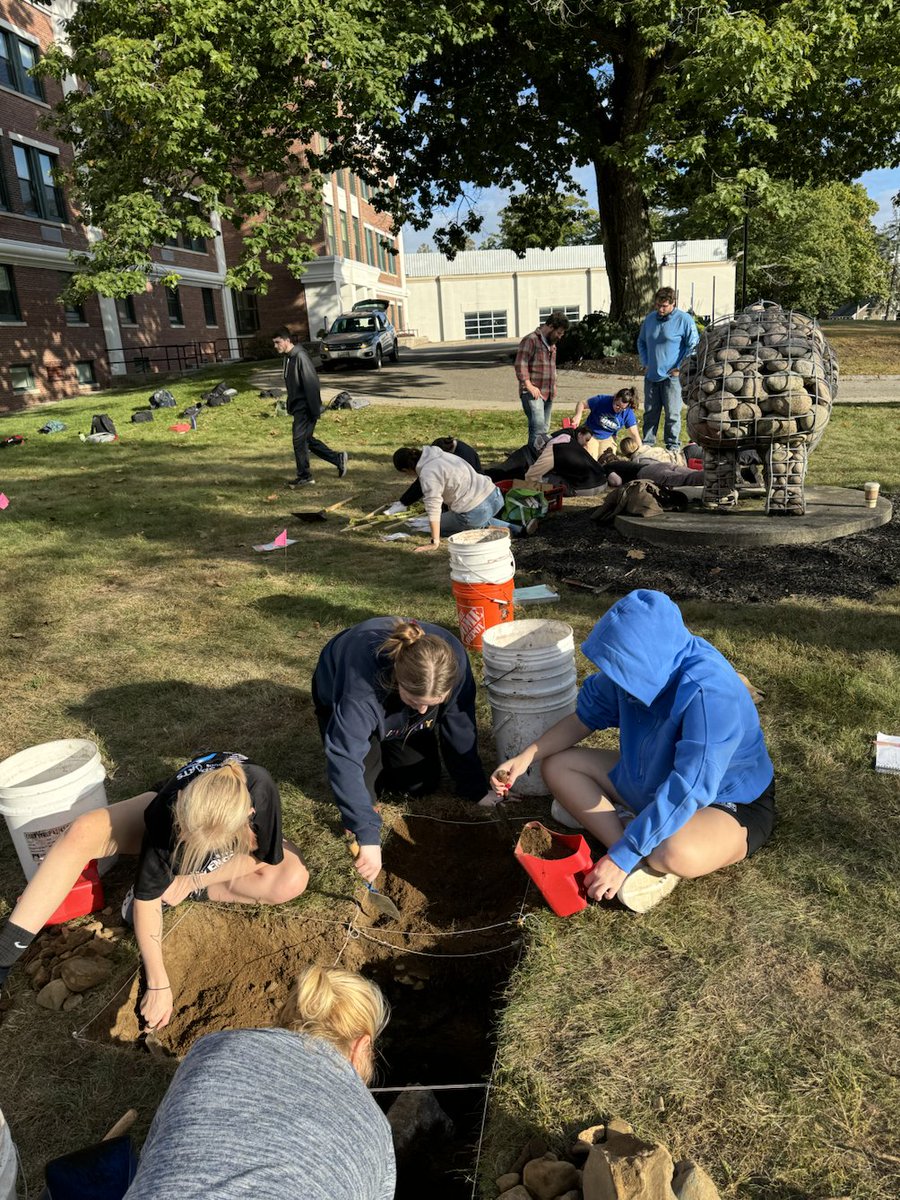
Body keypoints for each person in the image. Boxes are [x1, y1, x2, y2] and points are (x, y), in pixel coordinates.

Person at [492, 590, 775, 913]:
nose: (616, 680)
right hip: (654, 774)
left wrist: (620, 858)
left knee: (672, 851)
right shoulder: (632, 670)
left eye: (623, 670)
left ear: (648, 660)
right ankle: (635, 850)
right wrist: (526, 757)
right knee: (558, 766)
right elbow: (583, 719)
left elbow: (691, 787)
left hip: (724, 800)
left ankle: (635, 841)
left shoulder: (709, 693)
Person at [0, 752, 309, 1028]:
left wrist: (192, 881)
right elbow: (145, 900)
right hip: (168, 817)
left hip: (222, 844)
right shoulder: (165, 814)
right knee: (82, 832)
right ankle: (3, 958)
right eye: (187, 846)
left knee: (292, 878)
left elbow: (264, 856)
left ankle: (176, 886)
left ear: (249, 815)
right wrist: (159, 983)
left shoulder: (260, 792)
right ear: (180, 807)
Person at [122, 965, 395, 1200]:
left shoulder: (211, 1047)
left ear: (286, 1018)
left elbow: (153, 1150)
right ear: (362, 1046)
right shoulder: (376, 1129)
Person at [313, 618, 496, 884]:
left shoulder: (454, 663)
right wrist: (366, 833)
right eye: (415, 700)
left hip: (397, 708)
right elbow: (344, 756)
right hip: (340, 690)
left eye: (432, 704)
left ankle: (390, 737)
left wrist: (475, 788)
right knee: (366, 797)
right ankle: (376, 740)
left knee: (418, 785)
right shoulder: (361, 686)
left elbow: (459, 724)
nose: (423, 710)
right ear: (397, 679)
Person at [392, 444, 533, 550]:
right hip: (494, 496)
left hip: (475, 510)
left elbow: (433, 507)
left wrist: (435, 542)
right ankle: (518, 530)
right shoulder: (441, 455)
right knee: (477, 517)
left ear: (406, 469)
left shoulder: (428, 473)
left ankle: (486, 530)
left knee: (439, 526)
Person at [273, 328, 348, 487]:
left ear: (287, 340)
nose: (275, 346)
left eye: (277, 342)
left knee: (299, 441)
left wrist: (315, 410)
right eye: (274, 343)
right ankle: (338, 459)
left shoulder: (300, 356)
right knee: (306, 440)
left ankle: (305, 476)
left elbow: (312, 384)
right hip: (298, 407)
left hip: (306, 407)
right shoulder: (289, 358)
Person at [637, 288, 699, 451]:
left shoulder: (684, 320)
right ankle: (648, 444)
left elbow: (693, 345)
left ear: (673, 303)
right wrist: (645, 362)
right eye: (658, 305)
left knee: (672, 414)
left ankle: (672, 446)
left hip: (673, 378)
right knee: (650, 413)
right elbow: (641, 342)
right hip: (652, 376)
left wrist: (680, 367)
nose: (660, 309)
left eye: (664, 306)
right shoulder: (650, 319)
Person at [514, 312, 570, 443]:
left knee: (544, 428)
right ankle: (534, 454)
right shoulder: (531, 340)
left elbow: (552, 367)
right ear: (550, 326)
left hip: (548, 393)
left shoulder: (552, 344)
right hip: (532, 392)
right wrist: (529, 386)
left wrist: (554, 386)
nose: (560, 337)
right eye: (559, 333)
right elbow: (520, 364)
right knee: (538, 429)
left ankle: (538, 453)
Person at [390, 436, 483, 513]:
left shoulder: (459, 458)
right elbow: (422, 482)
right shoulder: (446, 454)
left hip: (474, 501)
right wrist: (404, 501)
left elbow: (428, 488)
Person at [524, 425, 608, 494]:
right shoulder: (570, 441)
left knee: (547, 478)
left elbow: (532, 475)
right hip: (602, 482)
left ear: (542, 448)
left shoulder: (553, 448)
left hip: (587, 488)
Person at [572, 387, 640, 458]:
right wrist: (578, 415)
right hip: (591, 434)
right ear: (614, 398)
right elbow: (582, 403)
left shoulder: (628, 412)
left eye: (622, 408)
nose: (619, 409)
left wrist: (641, 453)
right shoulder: (602, 400)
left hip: (608, 437)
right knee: (590, 457)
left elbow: (634, 434)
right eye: (617, 405)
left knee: (607, 459)